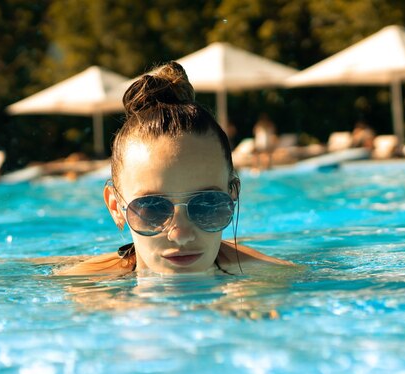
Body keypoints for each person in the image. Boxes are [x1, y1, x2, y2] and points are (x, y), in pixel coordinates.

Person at [56, 62, 294, 276]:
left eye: (208, 205)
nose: (181, 235)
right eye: (152, 209)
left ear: (233, 196)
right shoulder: (81, 288)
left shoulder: (272, 279)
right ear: (116, 207)